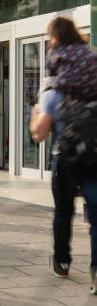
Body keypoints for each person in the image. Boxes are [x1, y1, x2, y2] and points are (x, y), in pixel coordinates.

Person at [30, 16, 97, 287]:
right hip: (95, 156)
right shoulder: (95, 79)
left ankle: (62, 263)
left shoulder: (53, 87)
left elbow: (40, 133)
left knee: (63, 212)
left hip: (65, 156)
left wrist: (34, 113)